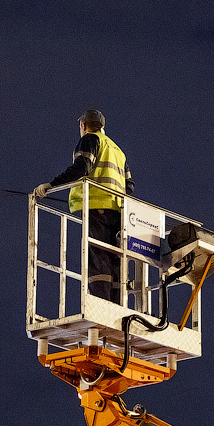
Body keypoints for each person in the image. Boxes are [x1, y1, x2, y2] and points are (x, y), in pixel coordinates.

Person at [34, 109, 134, 302]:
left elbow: (82, 167)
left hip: (96, 207)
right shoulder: (117, 151)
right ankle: (116, 301)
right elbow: (129, 185)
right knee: (114, 257)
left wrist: (51, 185)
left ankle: (100, 301)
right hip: (118, 212)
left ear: (83, 125)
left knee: (97, 257)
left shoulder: (90, 139)